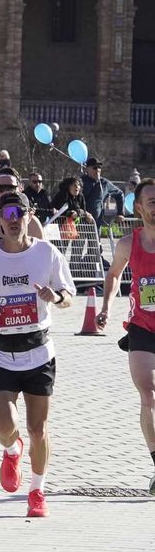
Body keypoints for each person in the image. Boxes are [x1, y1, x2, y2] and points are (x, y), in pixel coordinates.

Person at [0, 190, 75, 518]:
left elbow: (69, 295)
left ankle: (37, 491)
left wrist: (56, 297)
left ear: (29, 216)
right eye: (7, 214)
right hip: (0, 351)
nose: (13, 220)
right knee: (5, 425)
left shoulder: (47, 253)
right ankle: (12, 450)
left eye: (19, 213)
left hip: (38, 351)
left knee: (38, 428)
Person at [98, 179, 155, 494]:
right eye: (152, 202)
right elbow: (113, 275)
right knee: (148, 394)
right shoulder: (127, 244)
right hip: (142, 328)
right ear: (139, 208)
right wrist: (106, 307)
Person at [82, 158, 124, 226]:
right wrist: (84, 213)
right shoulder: (80, 182)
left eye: (99, 167)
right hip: (81, 223)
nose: (97, 170)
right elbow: (74, 201)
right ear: (87, 169)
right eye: (95, 167)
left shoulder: (105, 183)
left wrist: (120, 213)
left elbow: (120, 194)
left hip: (97, 224)